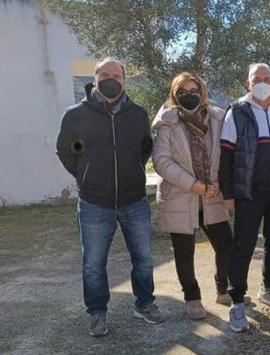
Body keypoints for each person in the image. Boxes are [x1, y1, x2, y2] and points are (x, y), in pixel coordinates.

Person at [55, 58, 163, 337]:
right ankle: (97, 312)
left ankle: (145, 303)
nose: (111, 78)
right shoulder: (75, 114)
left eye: (117, 74)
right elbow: (67, 152)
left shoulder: (138, 114)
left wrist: (133, 172)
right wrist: (86, 175)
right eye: (105, 74)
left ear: (125, 80)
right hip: (93, 203)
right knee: (93, 263)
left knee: (143, 258)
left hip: (134, 201)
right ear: (95, 77)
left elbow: (144, 150)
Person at [151, 72, 250, 320]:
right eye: (183, 91)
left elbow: (226, 153)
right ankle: (192, 298)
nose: (190, 95)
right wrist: (193, 185)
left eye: (194, 91)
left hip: (212, 193)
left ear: (202, 92)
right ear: (175, 93)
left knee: (225, 245)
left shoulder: (218, 118)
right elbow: (162, 161)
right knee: (184, 251)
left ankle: (222, 289)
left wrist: (218, 182)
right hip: (179, 195)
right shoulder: (167, 123)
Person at [219, 63, 270, 332]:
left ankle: (269, 288)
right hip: (249, 192)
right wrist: (227, 193)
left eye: (267, 78)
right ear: (247, 83)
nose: (262, 82)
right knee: (243, 245)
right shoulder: (237, 111)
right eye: (256, 79)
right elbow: (226, 155)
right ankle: (237, 301)